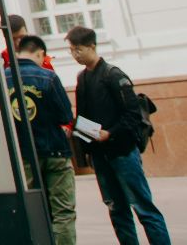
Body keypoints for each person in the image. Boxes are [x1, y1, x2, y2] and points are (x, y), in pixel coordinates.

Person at [68, 25, 170, 245]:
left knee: (143, 207)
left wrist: (109, 133)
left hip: (123, 152)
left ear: (92, 46)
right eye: (72, 50)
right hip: (100, 156)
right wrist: (85, 138)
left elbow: (132, 115)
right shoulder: (82, 79)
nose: (75, 54)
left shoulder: (113, 75)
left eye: (79, 49)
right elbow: (82, 117)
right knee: (116, 209)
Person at [8, 33, 77, 245]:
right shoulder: (48, 77)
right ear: (40, 53)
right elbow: (66, 116)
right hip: (55, 151)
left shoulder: (2, 77)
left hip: (24, 156)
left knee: (32, 211)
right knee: (63, 212)